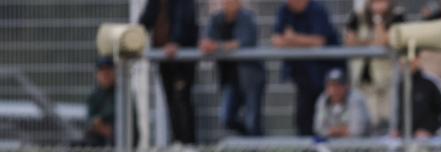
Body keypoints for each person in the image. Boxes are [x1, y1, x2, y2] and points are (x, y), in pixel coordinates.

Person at [273, 0, 341, 136]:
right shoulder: (285, 10)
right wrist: (302, 42)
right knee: (303, 118)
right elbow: (277, 40)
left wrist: (292, 38)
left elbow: (319, 41)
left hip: (324, 74)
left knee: (326, 117)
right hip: (302, 75)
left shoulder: (317, 10)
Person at [200, 0, 266, 136]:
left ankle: (256, 150)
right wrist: (208, 45)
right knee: (226, 117)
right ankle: (252, 140)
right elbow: (206, 41)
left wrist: (218, 47)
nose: (229, 3)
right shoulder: (216, 19)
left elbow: (244, 42)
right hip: (230, 79)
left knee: (252, 119)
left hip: (251, 78)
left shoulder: (247, 17)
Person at [140, 0, 199, 144]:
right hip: (164, 58)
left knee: (182, 100)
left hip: (181, 59)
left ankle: (188, 144)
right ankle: (178, 141)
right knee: (171, 101)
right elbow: (144, 22)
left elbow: (184, 19)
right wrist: (131, 37)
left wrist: (175, 42)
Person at [344, 0, 405, 131]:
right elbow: (350, 40)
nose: (378, 5)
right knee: (364, 122)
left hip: (387, 80)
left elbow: (383, 40)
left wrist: (378, 21)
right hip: (363, 80)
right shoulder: (358, 15)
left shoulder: (397, 16)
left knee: (388, 121)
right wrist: (371, 43)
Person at [390, 52, 441, 139]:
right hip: (405, 142)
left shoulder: (430, 83)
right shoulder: (400, 85)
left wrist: (432, 133)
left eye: (410, 61)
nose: (406, 64)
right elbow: (398, 115)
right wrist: (397, 131)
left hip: (427, 144)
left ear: (418, 60)